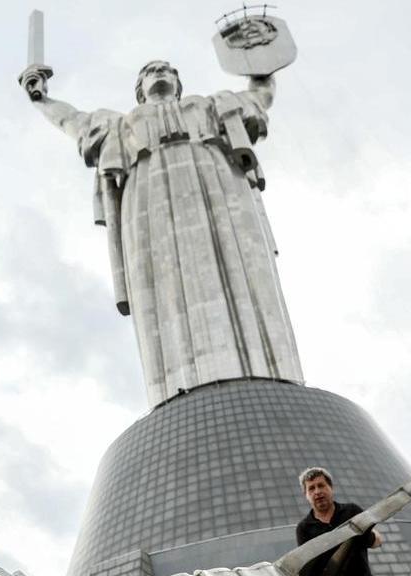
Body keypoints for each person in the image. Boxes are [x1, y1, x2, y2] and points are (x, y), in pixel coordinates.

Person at [20, 59, 305, 407]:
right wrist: (41, 99)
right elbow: (73, 121)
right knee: (164, 280)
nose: (159, 74)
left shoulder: (208, 106)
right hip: (149, 194)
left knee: (239, 264)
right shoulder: (120, 125)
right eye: (149, 72)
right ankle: (179, 385)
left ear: (177, 82)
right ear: (139, 90)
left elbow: (258, 98)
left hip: (215, 181)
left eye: (167, 70)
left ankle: (263, 370)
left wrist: (261, 64)